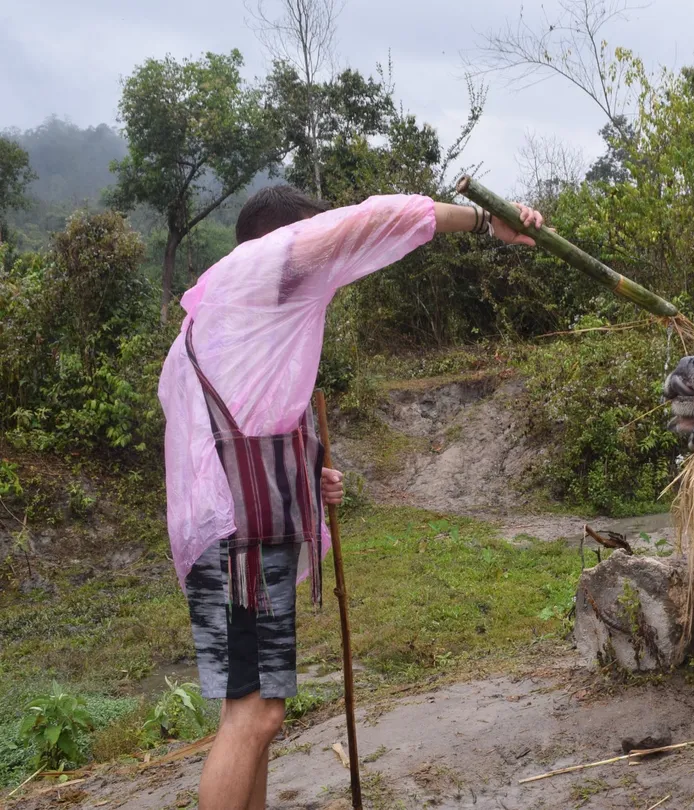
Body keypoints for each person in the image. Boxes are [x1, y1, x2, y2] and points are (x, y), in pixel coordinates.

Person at [158, 187, 544, 810]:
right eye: (317, 237)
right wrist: (483, 221)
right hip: (242, 540)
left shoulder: (224, 314)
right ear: (287, 239)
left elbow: (240, 422)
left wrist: (309, 480)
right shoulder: (269, 266)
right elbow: (374, 218)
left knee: (258, 714)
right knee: (251, 718)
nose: (329, 256)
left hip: (236, 532)